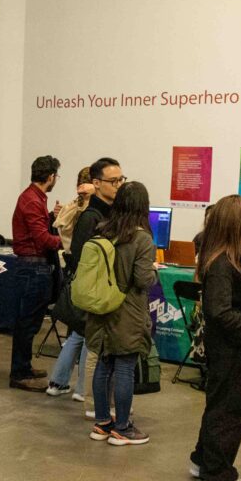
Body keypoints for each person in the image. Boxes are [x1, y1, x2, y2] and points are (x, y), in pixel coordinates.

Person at [188, 195, 241, 481]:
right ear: (236, 225)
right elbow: (219, 312)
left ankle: (203, 460)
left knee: (219, 405)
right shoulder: (223, 263)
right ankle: (218, 474)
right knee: (231, 409)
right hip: (229, 347)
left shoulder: (231, 258)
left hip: (231, 346)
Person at [84, 179, 157, 445]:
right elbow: (142, 280)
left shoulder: (103, 230)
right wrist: (152, 273)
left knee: (104, 365)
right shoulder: (142, 239)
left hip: (100, 308)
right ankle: (123, 427)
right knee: (125, 367)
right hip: (128, 311)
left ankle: (102, 423)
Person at [47, 158, 120, 402]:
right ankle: (83, 391)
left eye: (121, 180)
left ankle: (63, 383)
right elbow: (80, 256)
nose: (118, 185)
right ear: (96, 184)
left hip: (92, 289)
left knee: (78, 335)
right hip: (90, 290)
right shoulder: (90, 216)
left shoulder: (104, 213)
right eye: (113, 181)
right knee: (88, 336)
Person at [8, 154, 62, 391]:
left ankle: (25, 366)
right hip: (32, 268)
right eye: (56, 176)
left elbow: (37, 228)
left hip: (34, 267)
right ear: (51, 176)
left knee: (30, 323)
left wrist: (51, 217)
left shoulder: (35, 198)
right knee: (27, 324)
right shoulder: (32, 200)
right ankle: (19, 373)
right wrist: (67, 240)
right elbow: (41, 238)